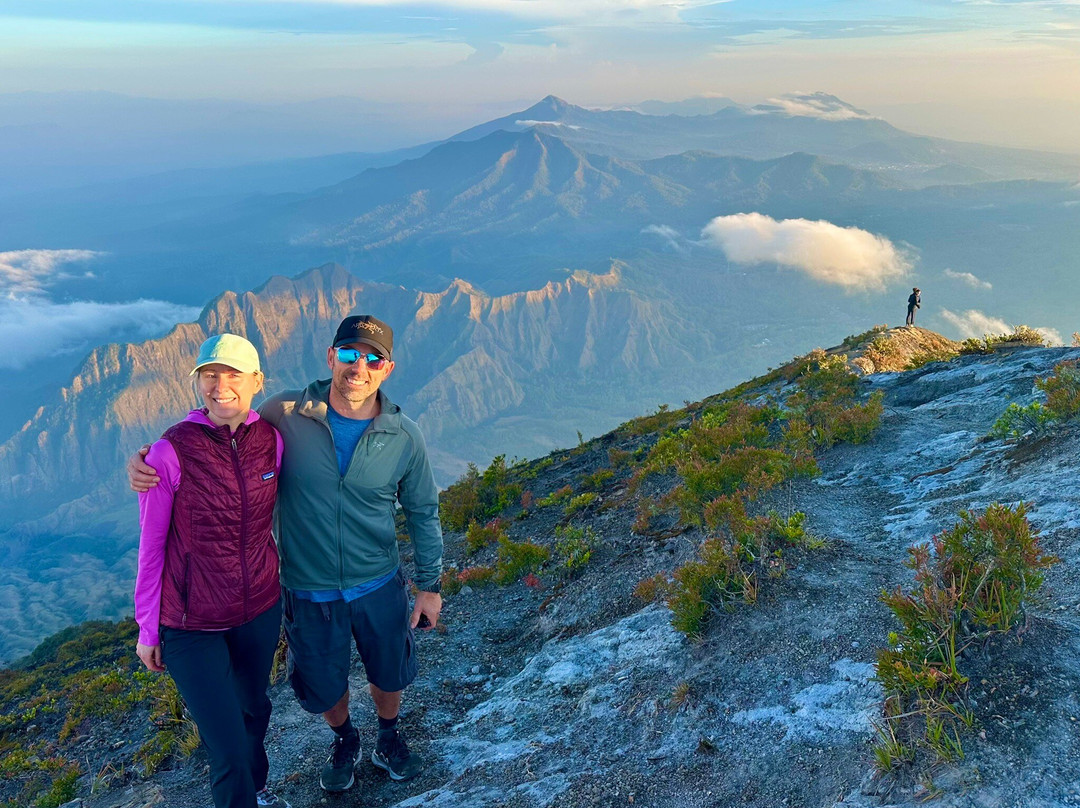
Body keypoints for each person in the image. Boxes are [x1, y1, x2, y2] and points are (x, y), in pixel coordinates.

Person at [130, 315, 443, 794]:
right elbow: (219, 429)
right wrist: (148, 458)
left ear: (387, 368)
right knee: (322, 680)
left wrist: (430, 586)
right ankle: (344, 739)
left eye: (372, 358)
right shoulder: (288, 413)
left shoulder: (403, 435)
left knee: (388, 668)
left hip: (377, 578)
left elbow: (423, 510)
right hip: (308, 586)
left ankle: (389, 735)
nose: (358, 366)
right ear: (330, 358)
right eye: (348, 354)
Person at [133, 333, 289, 808]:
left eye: (233, 374)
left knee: (254, 710)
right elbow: (152, 545)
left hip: (259, 609)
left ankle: (257, 792)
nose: (219, 386)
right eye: (209, 375)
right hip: (190, 624)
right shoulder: (169, 452)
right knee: (227, 752)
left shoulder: (271, 442)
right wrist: (148, 628)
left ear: (257, 381)